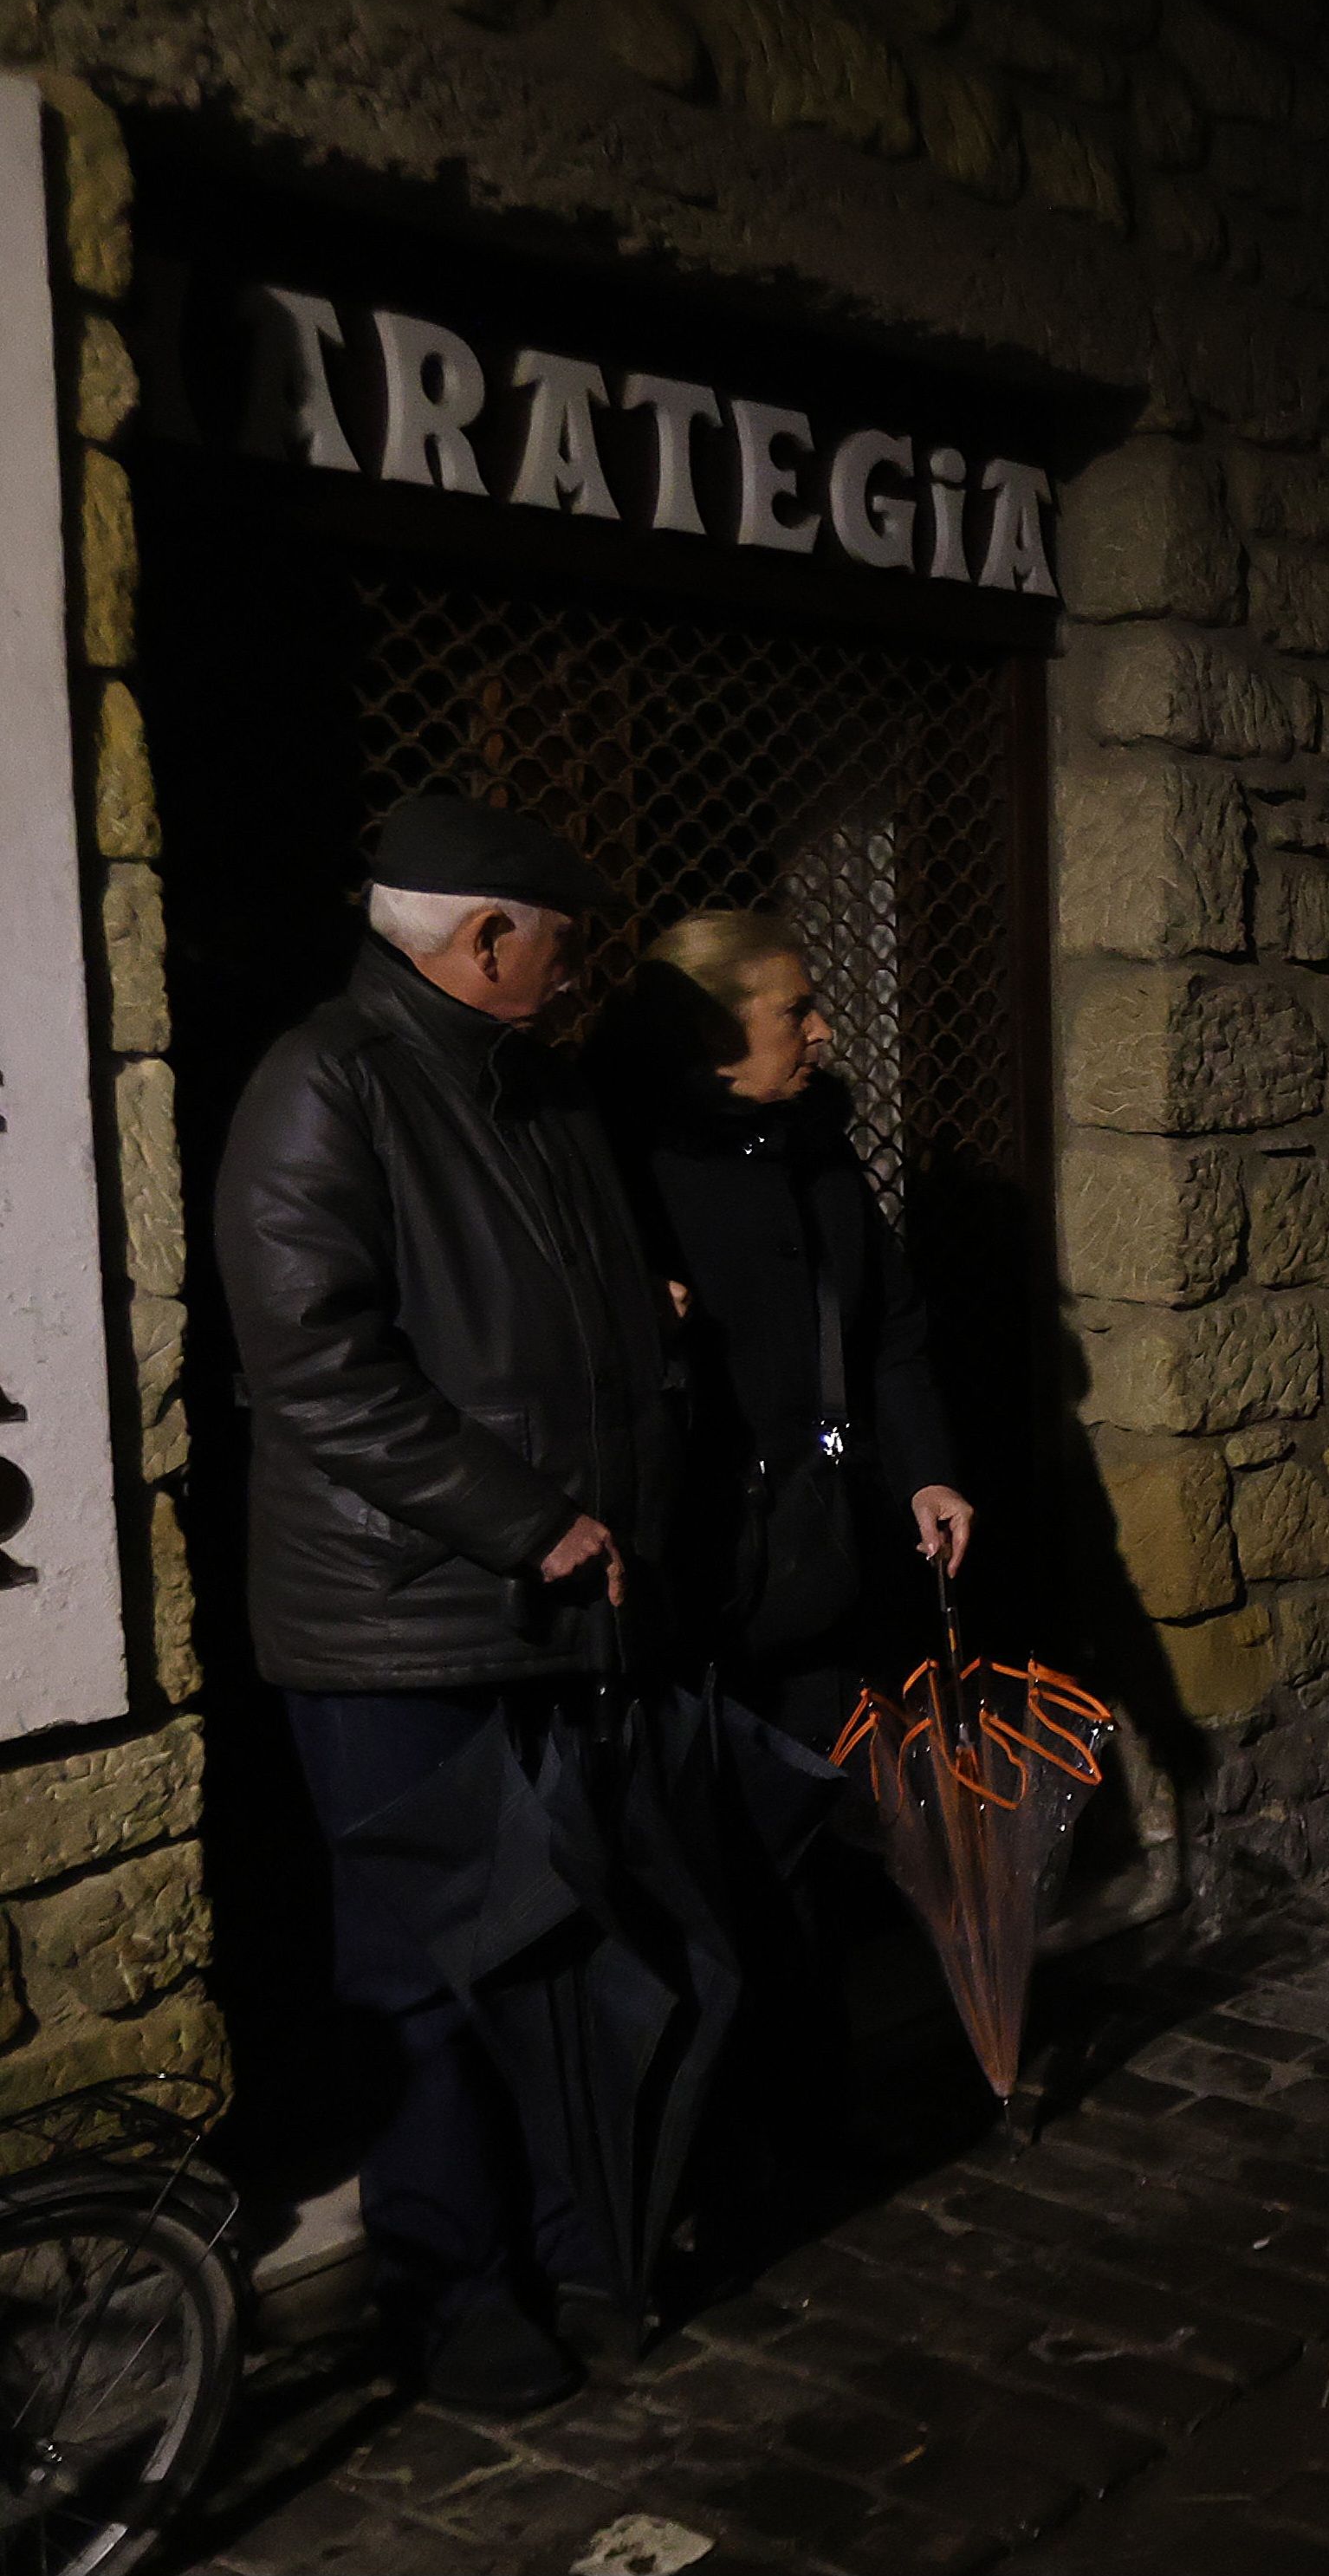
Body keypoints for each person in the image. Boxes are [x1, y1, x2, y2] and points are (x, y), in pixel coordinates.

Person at [214, 792, 682, 2415]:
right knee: (418, 1979)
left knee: (545, 1951)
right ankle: (450, 2296)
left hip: (547, 1604)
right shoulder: (326, 1082)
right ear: (485, 936)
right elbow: (316, 1369)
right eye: (556, 946)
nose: (570, 976)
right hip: (400, 1618)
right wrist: (532, 1519)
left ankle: (578, 2248)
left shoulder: (529, 1089)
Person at [596, 912, 973, 1751]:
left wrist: (925, 1476)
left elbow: (890, 1330)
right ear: (709, 1027)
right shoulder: (621, 1172)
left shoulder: (814, 1152)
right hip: (699, 1577)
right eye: (793, 1011)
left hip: (827, 1548)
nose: (822, 1029)